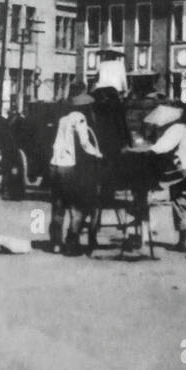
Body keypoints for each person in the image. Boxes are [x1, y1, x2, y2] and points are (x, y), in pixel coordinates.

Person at [148, 103, 186, 253]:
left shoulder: (175, 130)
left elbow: (161, 148)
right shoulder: (184, 128)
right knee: (180, 202)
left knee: (153, 188)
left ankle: (146, 218)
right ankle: (182, 240)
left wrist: (148, 151)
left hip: (181, 169)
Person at [49, 100, 103, 255]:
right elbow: (84, 143)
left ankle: (56, 243)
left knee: (58, 206)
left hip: (54, 165)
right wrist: (97, 154)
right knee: (77, 206)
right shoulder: (79, 118)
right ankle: (71, 243)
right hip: (69, 167)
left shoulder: (63, 119)